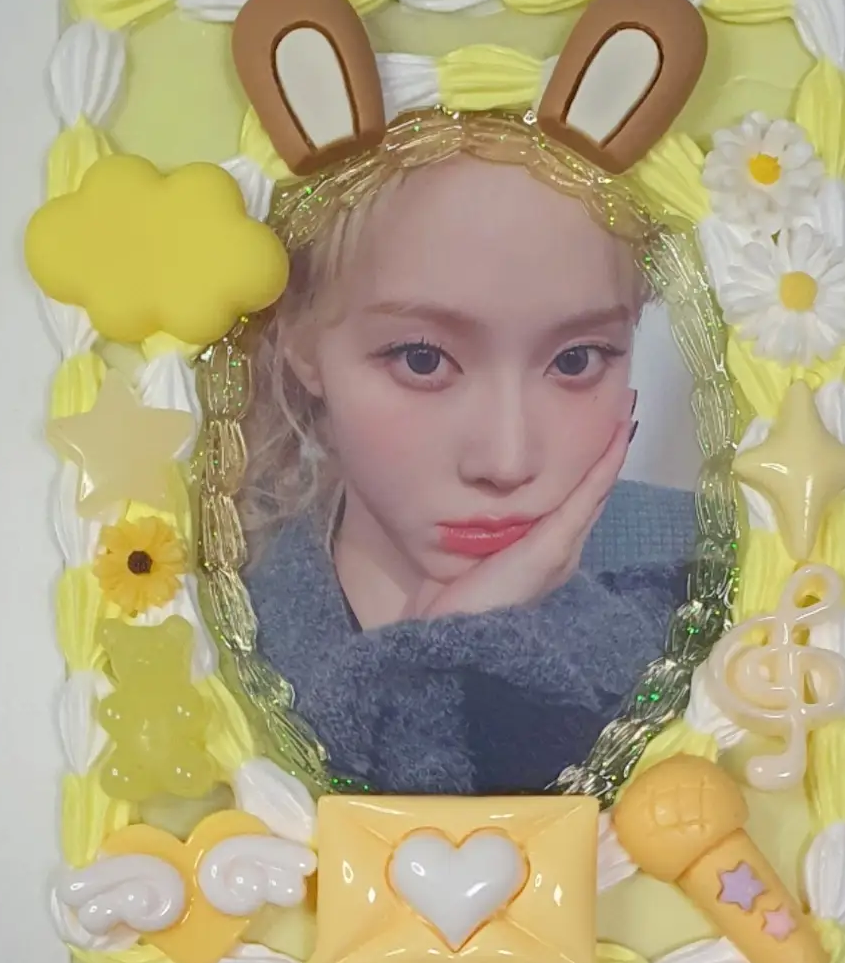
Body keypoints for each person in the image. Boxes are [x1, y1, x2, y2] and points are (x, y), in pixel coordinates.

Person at [241, 130, 697, 795]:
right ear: (301, 342)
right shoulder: (200, 622)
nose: (506, 461)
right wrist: (436, 654)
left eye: (576, 360)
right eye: (422, 359)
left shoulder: (707, 604)